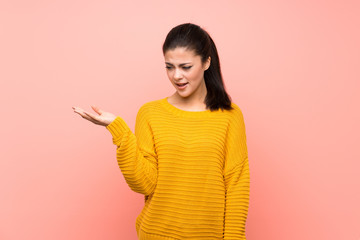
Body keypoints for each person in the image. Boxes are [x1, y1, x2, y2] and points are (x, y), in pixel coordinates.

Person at [73, 23, 250, 240]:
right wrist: (118, 130)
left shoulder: (229, 115)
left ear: (206, 62)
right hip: (156, 233)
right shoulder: (150, 113)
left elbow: (236, 185)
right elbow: (145, 183)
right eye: (169, 67)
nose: (176, 76)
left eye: (185, 67)